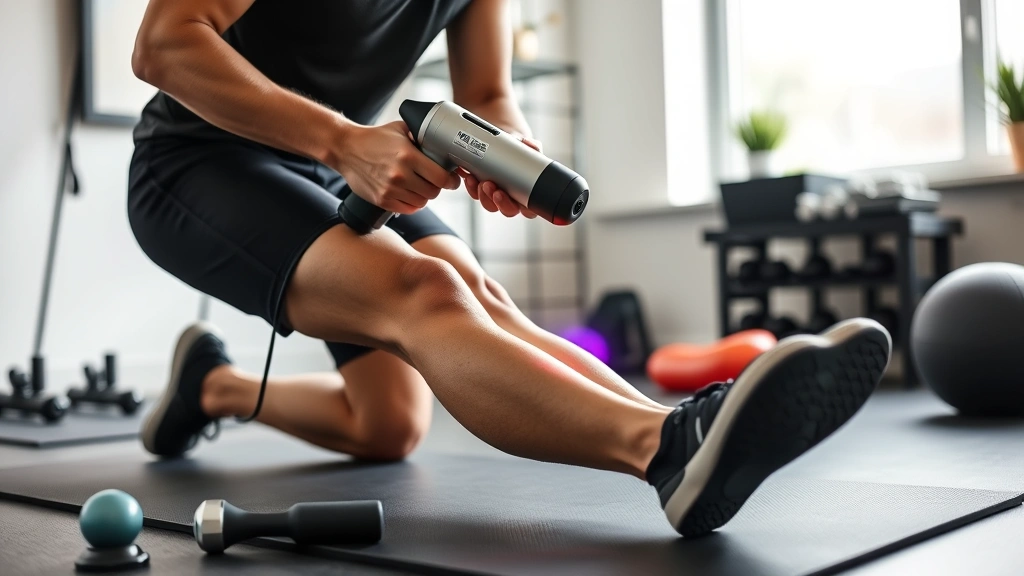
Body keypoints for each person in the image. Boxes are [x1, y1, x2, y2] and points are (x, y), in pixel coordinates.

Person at [128, 0, 892, 537]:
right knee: (425, 291)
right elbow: (163, 44)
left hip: (331, 161)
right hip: (197, 159)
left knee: (395, 414)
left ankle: (211, 387)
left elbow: (489, 91)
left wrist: (509, 155)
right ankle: (666, 446)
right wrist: (343, 142)